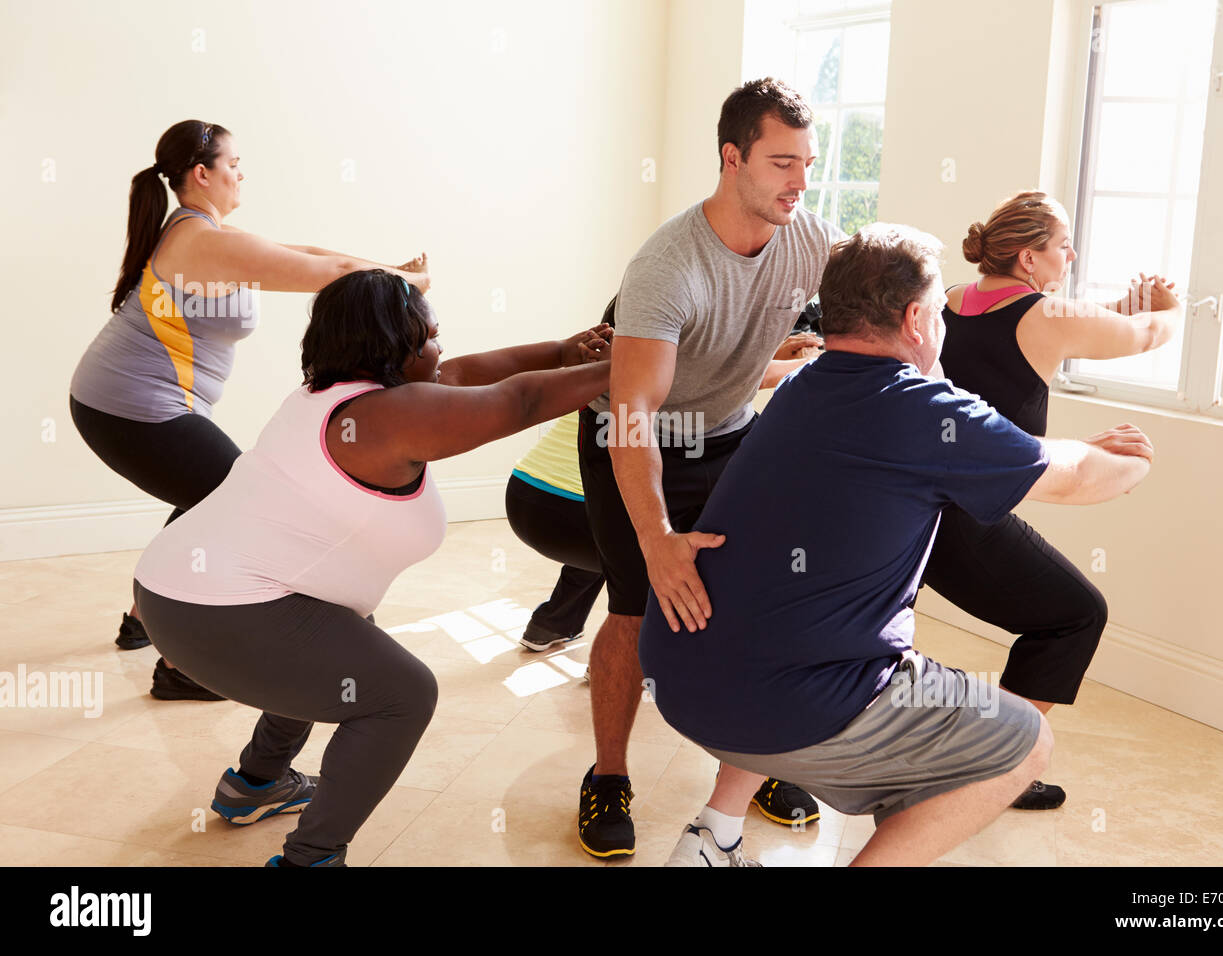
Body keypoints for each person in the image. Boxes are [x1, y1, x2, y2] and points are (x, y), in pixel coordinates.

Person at [639, 224, 1155, 866]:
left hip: (681, 675)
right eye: (938, 313)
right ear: (915, 319)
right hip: (783, 705)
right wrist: (1131, 460)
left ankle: (711, 839)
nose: (942, 325)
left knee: (844, 637)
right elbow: (1076, 477)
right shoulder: (921, 411)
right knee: (1024, 742)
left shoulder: (803, 385)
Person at [132, 268, 612, 867]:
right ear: (395, 346)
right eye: (431, 336)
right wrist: (632, 362)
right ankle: (312, 857)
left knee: (339, 636)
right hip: (216, 616)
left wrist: (566, 351)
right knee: (402, 694)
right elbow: (520, 399)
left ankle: (256, 783)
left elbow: (466, 373)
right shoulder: (390, 417)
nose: (442, 349)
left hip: (173, 591)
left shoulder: (331, 395)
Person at [575, 77, 845, 859]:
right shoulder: (667, 265)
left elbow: (876, 304)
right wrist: (658, 536)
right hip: (637, 438)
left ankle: (752, 759)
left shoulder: (811, 239)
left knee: (761, 601)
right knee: (635, 608)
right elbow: (632, 415)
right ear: (732, 158)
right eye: (782, 162)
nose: (800, 181)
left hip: (730, 434)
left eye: (809, 162)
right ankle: (608, 775)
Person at [70, 119, 431, 701]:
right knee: (229, 500)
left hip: (135, 402)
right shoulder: (200, 240)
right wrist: (405, 280)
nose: (242, 173)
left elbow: (310, 254)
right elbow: (329, 275)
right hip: (127, 404)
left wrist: (388, 266)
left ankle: (144, 615)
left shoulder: (207, 233)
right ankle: (181, 666)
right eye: (233, 163)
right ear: (202, 173)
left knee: (209, 495)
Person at [922, 190, 1183, 809]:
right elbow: (1142, 334)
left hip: (914, 506)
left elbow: (1046, 343)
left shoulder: (952, 300)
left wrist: (1122, 307)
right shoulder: (1044, 315)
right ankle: (990, 764)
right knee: (1076, 614)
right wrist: (1170, 308)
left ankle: (979, 754)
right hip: (965, 518)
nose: (1071, 254)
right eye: (1063, 245)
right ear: (1027, 257)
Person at [508, 296, 820, 654]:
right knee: (662, 544)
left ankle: (552, 623)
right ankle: (629, 655)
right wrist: (810, 364)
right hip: (577, 510)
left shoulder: (605, 371)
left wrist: (774, 351)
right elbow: (736, 378)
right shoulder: (657, 382)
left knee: (621, 532)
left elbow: (718, 369)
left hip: (528, 499)